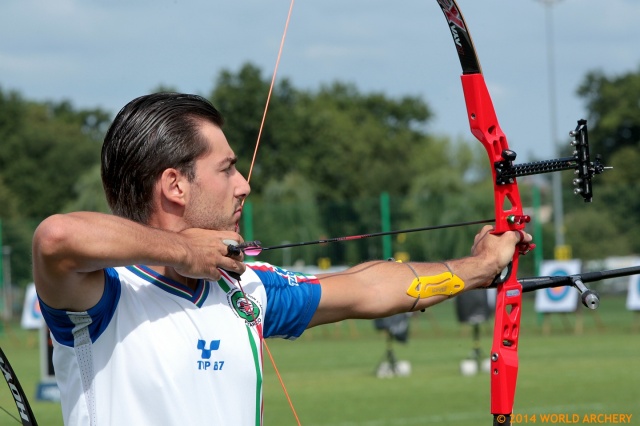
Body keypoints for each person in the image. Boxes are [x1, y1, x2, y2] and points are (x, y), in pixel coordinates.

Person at [32, 92, 531, 426]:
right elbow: (56, 237)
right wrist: (186, 250)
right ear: (175, 185)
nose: (243, 185)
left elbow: (369, 288)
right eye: (226, 169)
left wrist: (477, 269)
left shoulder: (245, 289)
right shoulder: (101, 295)